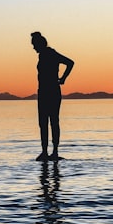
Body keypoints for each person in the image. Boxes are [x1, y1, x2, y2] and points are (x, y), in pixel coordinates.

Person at [31, 32, 74, 160]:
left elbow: (70, 62)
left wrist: (63, 79)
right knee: (43, 122)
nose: (33, 47)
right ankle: (45, 151)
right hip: (43, 92)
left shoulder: (51, 54)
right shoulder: (43, 55)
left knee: (53, 121)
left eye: (34, 45)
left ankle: (54, 151)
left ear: (40, 44)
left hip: (52, 91)